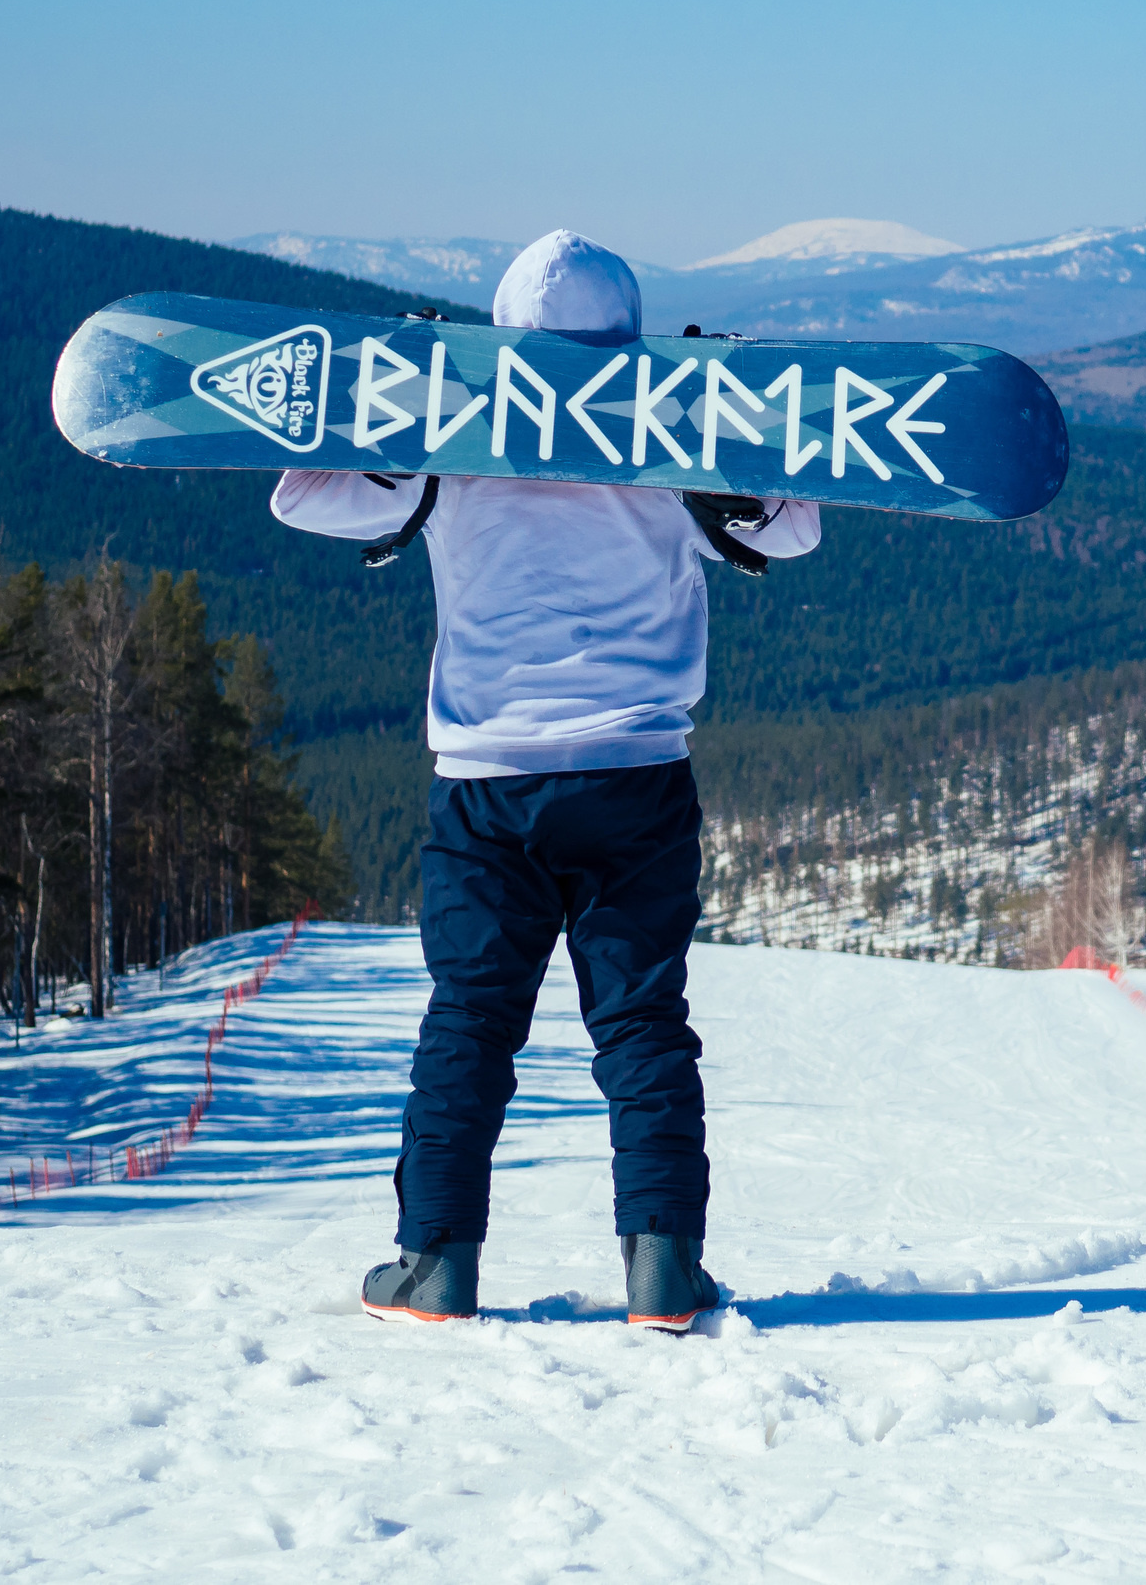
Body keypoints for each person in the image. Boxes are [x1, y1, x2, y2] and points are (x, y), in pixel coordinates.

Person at [270, 231, 820, 1330]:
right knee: (642, 1024)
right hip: (636, 776)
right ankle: (662, 1269)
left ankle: (435, 1266)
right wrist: (724, 412)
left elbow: (305, 497)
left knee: (470, 1020)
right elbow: (794, 530)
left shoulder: (450, 436)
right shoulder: (672, 433)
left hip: (487, 782)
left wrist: (402, 407)